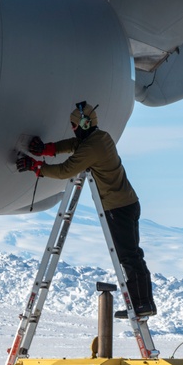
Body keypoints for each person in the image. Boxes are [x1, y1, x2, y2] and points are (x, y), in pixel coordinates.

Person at [16, 101, 156, 317]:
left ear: (81, 125)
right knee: (133, 254)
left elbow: (66, 170)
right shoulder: (101, 138)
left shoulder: (92, 147)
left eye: (73, 126)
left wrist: (37, 167)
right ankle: (144, 303)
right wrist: (49, 149)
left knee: (128, 256)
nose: (72, 129)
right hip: (127, 204)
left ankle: (142, 304)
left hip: (117, 208)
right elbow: (76, 144)